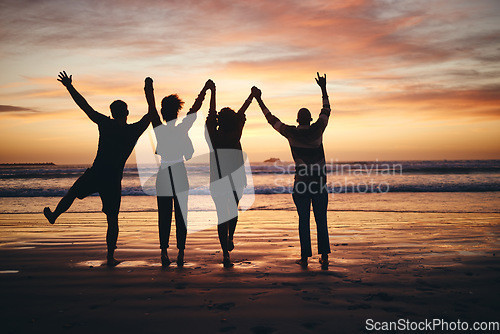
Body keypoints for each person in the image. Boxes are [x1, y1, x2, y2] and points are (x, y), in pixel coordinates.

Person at [44, 71, 151, 266]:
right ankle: (110, 256)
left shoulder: (106, 124)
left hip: (96, 173)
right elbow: (151, 114)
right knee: (112, 219)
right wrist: (149, 92)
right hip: (112, 179)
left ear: (112, 113)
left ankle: (54, 216)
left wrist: (69, 87)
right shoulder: (132, 131)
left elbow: (85, 107)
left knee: (72, 194)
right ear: (126, 113)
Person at [253, 73, 331, 269]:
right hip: (319, 183)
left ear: (297, 120)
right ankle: (324, 257)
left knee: (303, 220)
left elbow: (271, 120)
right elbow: (327, 109)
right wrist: (323, 89)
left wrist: (259, 99)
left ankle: (305, 258)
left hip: (302, 184)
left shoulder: (291, 133)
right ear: (310, 119)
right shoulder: (318, 129)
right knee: (321, 219)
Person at [144, 77, 211, 267]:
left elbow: (151, 108)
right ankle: (181, 252)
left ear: (164, 112)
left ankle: (164, 252)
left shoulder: (159, 129)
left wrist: (149, 88)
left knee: (164, 215)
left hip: (164, 173)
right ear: (177, 111)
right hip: (179, 172)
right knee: (182, 214)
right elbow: (194, 110)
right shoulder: (182, 129)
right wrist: (204, 90)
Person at [205, 80, 255, 267]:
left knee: (221, 216)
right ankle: (230, 236)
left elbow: (211, 114)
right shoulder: (236, 133)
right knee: (232, 211)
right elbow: (241, 114)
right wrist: (251, 97)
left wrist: (212, 92)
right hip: (236, 180)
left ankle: (225, 253)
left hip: (217, 180)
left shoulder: (213, 135)